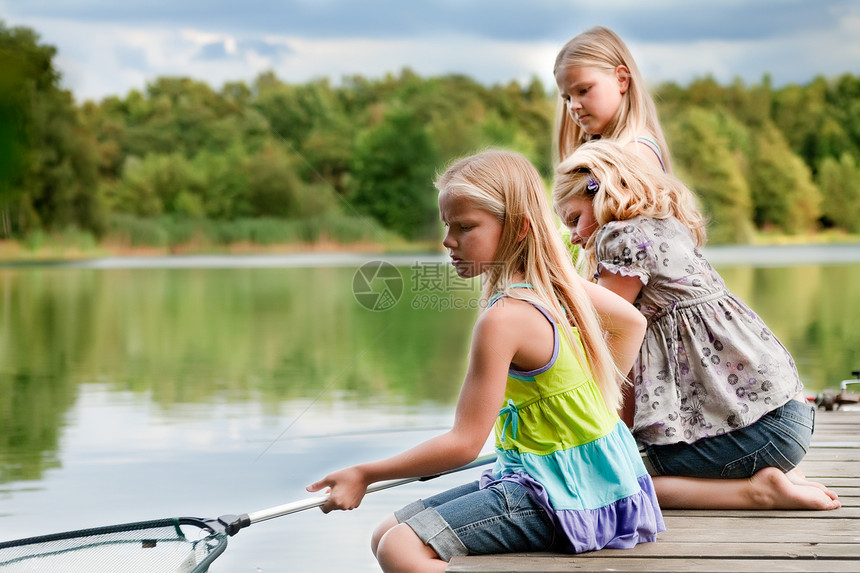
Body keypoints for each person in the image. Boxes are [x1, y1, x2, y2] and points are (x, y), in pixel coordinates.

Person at [307, 150, 664, 573]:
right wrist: (598, 414)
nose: (448, 241)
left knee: (398, 549)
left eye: (465, 227)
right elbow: (630, 323)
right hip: (599, 482)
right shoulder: (553, 284)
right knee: (385, 530)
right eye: (447, 226)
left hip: (572, 495)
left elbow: (464, 443)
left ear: (517, 230)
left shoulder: (504, 318)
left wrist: (366, 473)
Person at [552, 139, 841, 511]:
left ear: (602, 191)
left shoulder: (619, 237)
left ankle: (755, 491)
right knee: (621, 460)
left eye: (574, 219)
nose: (574, 235)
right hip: (787, 419)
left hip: (760, 433)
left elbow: (608, 345)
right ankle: (776, 473)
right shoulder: (664, 227)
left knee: (614, 477)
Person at [553, 26, 671, 173]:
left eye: (583, 90)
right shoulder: (608, 152)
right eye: (567, 98)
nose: (573, 106)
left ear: (621, 79)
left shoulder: (635, 154)